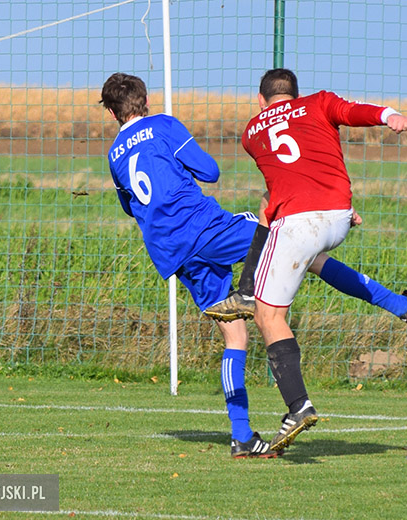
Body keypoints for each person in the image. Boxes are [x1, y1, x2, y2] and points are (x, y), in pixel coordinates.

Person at [242, 68, 407, 451]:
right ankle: (405, 306)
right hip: (338, 214)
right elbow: (354, 112)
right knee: (313, 261)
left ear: (260, 100)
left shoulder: (252, 133)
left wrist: (248, 282)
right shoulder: (317, 103)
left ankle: (298, 406)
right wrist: (389, 115)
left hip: (299, 220)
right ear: (295, 95)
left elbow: (274, 196)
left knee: (267, 315)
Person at [99, 72, 278, 459]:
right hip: (204, 228)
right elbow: (211, 172)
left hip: (174, 253)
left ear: (112, 112)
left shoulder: (114, 154)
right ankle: (397, 303)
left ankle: (242, 436)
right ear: (145, 101)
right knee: (279, 227)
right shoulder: (163, 124)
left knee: (235, 336)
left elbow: (129, 206)